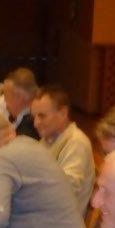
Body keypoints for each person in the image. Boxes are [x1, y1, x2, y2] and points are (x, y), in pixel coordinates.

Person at [32, 86, 95, 214]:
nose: (36, 123)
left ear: (63, 113)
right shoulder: (47, 139)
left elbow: (65, 191)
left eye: (42, 116)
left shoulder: (76, 143)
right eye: (34, 117)